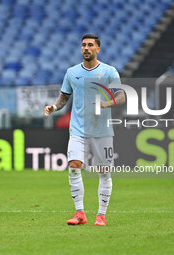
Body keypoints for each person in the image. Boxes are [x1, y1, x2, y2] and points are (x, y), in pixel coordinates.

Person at [44, 34, 125, 226]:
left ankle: (101, 215)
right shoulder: (72, 72)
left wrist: (106, 103)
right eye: (83, 45)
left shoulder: (109, 71)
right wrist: (53, 107)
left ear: (98, 49)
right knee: (74, 166)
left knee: (104, 172)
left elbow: (121, 97)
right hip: (78, 131)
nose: (86, 48)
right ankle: (80, 213)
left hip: (102, 132)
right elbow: (64, 98)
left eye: (90, 45)